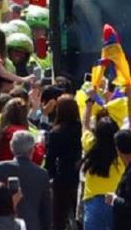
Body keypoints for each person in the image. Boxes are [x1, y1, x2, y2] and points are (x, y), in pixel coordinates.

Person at [0, 131, 53, 230]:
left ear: (12, 148)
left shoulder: (2, 168)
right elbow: (47, 212)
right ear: (32, 150)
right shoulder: (42, 174)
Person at [45, 96, 82, 230]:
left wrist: (51, 175)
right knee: (80, 215)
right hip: (80, 175)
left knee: (59, 217)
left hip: (62, 177)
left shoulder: (56, 132)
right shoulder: (81, 129)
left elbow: (50, 158)